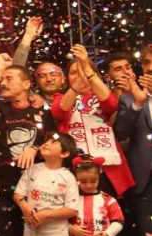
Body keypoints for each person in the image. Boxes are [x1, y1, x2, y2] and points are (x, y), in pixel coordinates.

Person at [0, 53, 53, 236]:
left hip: (32, 188)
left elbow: (54, 140)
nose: (3, 83)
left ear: (26, 84)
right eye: (2, 79)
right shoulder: (0, 107)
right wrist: (0, 68)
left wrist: (35, 148)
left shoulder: (42, 112)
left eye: (9, 79)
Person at [51, 44, 135, 197]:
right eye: (73, 73)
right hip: (74, 165)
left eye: (84, 70)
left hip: (107, 165)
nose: (80, 75)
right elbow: (59, 112)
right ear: (67, 77)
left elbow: (111, 105)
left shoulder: (102, 95)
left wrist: (87, 68)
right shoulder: (60, 97)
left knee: (108, 208)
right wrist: (78, 83)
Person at [114, 44, 152, 236]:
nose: (150, 67)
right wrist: (137, 103)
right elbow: (120, 132)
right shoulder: (129, 97)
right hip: (144, 180)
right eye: (146, 62)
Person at [13, 133, 78, 236]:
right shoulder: (31, 169)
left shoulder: (68, 177)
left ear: (64, 153)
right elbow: (18, 194)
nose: (47, 143)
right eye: (46, 141)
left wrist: (47, 214)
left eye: (53, 142)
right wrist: (24, 206)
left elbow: (72, 210)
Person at [69, 155, 124, 236]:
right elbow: (62, 222)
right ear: (76, 179)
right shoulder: (72, 199)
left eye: (94, 181)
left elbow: (118, 221)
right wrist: (72, 229)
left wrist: (107, 234)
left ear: (99, 178)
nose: (89, 185)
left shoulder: (108, 200)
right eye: (83, 182)